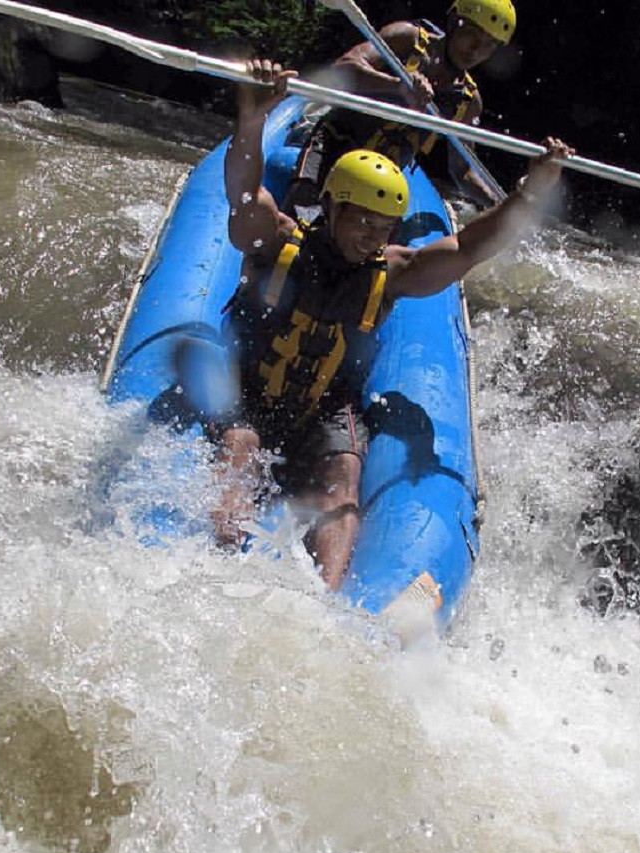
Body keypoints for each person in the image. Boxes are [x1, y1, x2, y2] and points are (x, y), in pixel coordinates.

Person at [213, 59, 572, 591]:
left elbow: (469, 248)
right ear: (331, 207)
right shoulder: (279, 240)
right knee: (241, 440)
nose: (371, 237)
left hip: (326, 405)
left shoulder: (393, 272)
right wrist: (250, 121)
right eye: (361, 219)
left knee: (345, 476)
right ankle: (216, 562)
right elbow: (244, 195)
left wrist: (528, 193)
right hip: (253, 386)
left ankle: (325, 601)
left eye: (382, 227)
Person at [287, 0, 518, 212]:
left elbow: (462, 171)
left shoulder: (468, 101)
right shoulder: (407, 39)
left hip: (382, 179)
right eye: (472, 34)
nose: (476, 49)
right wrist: (398, 85)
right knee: (302, 208)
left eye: (489, 44)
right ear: (454, 22)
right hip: (333, 145)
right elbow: (343, 68)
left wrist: (498, 205)